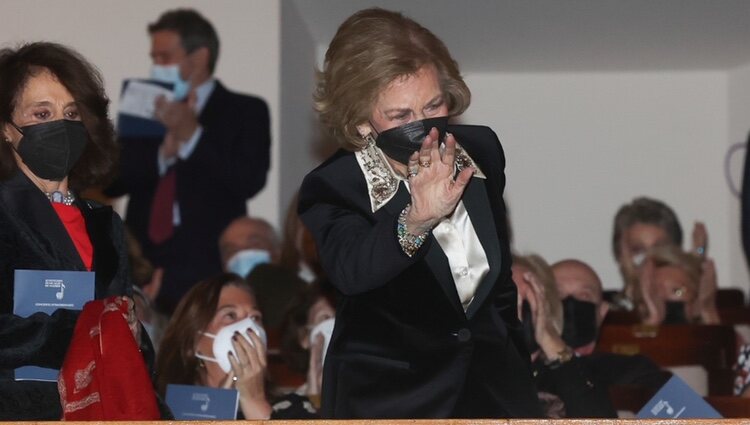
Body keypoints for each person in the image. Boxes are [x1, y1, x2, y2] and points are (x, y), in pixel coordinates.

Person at [298, 8, 541, 418]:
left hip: (493, 397)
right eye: (401, 116)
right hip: (390, 404)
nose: (426, 128)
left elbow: (498, 288)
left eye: (433, 106)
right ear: (361, 123)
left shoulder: (481, 153)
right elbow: (351, 272)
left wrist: (518, 378)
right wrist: (417, 220)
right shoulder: (336, 186)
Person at [0, 42, 140, 419]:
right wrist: (82, 327)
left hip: (101, 407)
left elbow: (123, 330)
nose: (60, 125)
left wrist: (131, 333)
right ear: (7, 130)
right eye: (41, 113)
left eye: (72, 113)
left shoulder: (104, 223)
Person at [108, 8, 271, 314]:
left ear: (199, 57)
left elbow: (249, 179)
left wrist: (194, 136)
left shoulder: (245, 110)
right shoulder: (145, 105)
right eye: (154, 57)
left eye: (165, 57)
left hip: (209, 263)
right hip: (143, 263)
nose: (157, 65)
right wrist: (162, 154)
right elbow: (112, 180)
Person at [156, 273, 315, 419]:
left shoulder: (294, 409)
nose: (247, 327)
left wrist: (255, 401)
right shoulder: (164, 411)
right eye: (230, 315)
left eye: (255, 318)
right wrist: (218, 410)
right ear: (193, 341)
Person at [512, 255, 616, 418]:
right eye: (511, 300)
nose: (520, 310)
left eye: (530, 300)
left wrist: (551, 342)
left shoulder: (569, 373)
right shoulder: (469, 368)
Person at [551, 259, 670, 394]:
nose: (570, 304)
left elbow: (688, 412)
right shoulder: (525, 371)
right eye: (557, 294)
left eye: (584, 295)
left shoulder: (633, 371)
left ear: (602, 312)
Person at [611, 197, 711, 312]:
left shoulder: (687, 306)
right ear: (619, 254)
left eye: (659, 249)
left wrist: (697, 258)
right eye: (638, 250)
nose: (649, 260)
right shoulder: (609, 315)